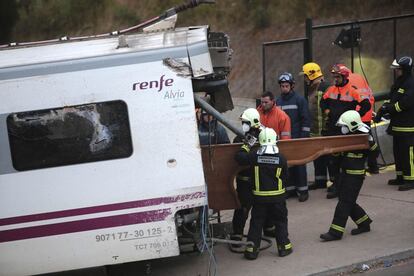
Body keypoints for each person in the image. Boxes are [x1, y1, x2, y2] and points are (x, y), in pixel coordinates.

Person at [235, 127, 292, 260]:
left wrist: (246, 145)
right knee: (280, 222)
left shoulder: (255, 156)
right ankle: (284, 248)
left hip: (259, 199)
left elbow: (239, 158)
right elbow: (286, 177)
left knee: (256, 223)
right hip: (278, 199)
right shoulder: (281, 158)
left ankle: (251, 250)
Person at [320, 110, 374, 241]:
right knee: (347, 200)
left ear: (352, 125)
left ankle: (335, 232)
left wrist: (366, 144)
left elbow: (373, 152)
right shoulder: (349, 136)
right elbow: (339, 156)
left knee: (344, 203)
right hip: (345, 173)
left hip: (355, 176)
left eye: (344, 126)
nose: (342, 129)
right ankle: (364, 222)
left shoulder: (364, 136)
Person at [320, 64, 371, 199]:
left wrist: (356, 115)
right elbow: (323, 102)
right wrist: (327, 111)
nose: (335, 79)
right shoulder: (331, 90)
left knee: (344, 159)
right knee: (332, 159)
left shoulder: (353, 91)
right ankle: (335, 184)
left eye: (337, 77)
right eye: (334, 76)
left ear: (344, 77)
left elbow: (366, 104)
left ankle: (342, 185)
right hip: (332, 129)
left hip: (345, 131)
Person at [375, 56, 414, 191]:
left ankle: (411, 180)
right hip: (397, 125)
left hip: (409, 126)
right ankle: (400, 177)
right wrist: (382, 110)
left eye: (399, 69)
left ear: (406, 69)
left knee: (407, 153)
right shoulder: (399, 82)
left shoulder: (411, 83)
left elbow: (405, 103)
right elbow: (392, 98)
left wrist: (389, 109)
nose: (396, 72)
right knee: (398, 152)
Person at [276, 72, 311, 202]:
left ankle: (303, 191)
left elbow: (305, 119)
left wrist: (303, 137)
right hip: (284, 141)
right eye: (282, 86)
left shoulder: (299, 100)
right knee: (286, 165)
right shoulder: (277, 102)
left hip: (297, 139)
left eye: (286, 85)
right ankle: (289, 190)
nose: (284, 88)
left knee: (300, 165)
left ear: (292, 86)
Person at [230, 108, 261, 245]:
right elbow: (238, 157)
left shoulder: (264, 136)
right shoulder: (239, 138)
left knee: (262, 208)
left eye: (245, 122)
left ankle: (268, 228)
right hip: (244, 181)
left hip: (260, 179)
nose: (243, 125)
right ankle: (237, 233)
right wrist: (247, 143)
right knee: (242, 208)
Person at [301, 62, 332, 191]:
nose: (304, 79)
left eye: (305, 76)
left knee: (330, 159)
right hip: (316, 132)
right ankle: (320, 181)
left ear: (311, 75)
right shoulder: (313, 88)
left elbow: (328, 110)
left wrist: (327, 129)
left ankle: (335, 183)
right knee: (318, 158)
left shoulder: (324, 87)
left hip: (325, 132)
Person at [350, 73, 380, 174]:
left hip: (356, 116)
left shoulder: (346, 82)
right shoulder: (360, 78)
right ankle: (373, 165)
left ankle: (360, 167)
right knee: (368, 139)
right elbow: (371, 97)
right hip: (366, 114)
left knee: (358, 143)